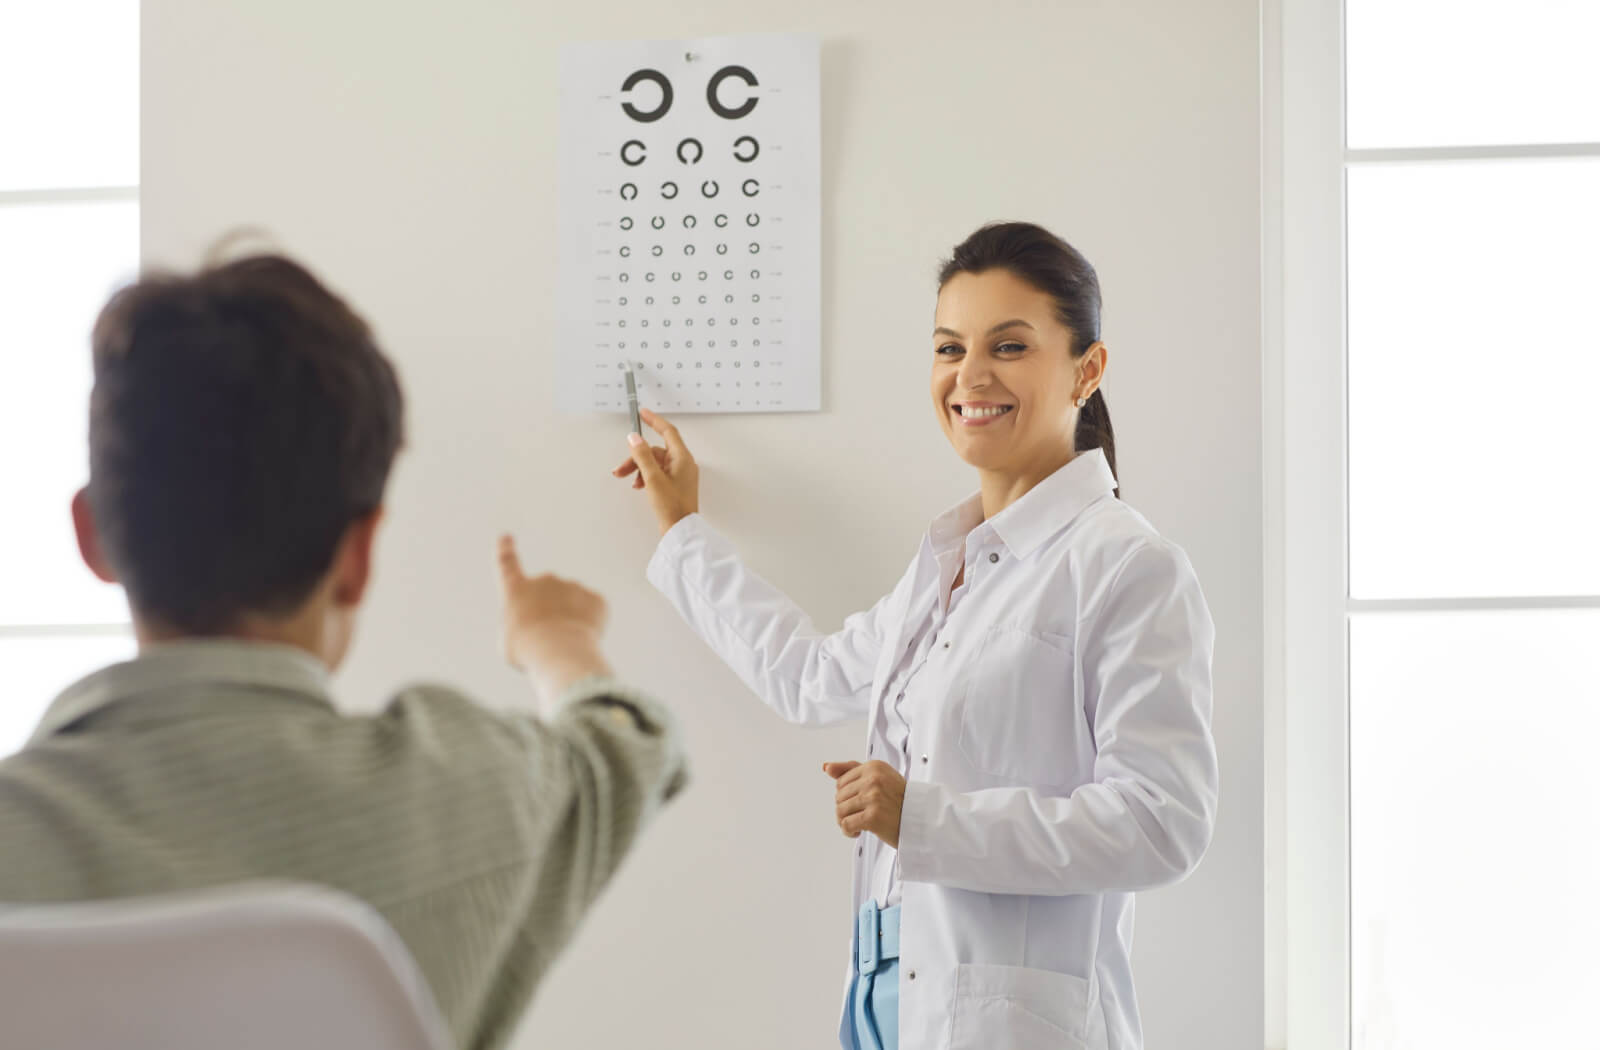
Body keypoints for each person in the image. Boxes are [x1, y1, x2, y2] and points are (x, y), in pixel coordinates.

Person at [0, 253, 688, 1050]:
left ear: (94, 537)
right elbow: (626, 744)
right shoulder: (476, 788)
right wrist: (554, 638)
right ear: (357, 557)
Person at [615, 222, 1217, 1050]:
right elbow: (810, 676)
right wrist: (683, 533)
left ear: (1088, 368)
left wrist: (924, 821)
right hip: (883, 996)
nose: (970, 376)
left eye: (1009, 346)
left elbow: (1162, 824)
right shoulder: (949, 566)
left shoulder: (1125, 566)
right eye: (948, 347)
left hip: (1010, 1023)